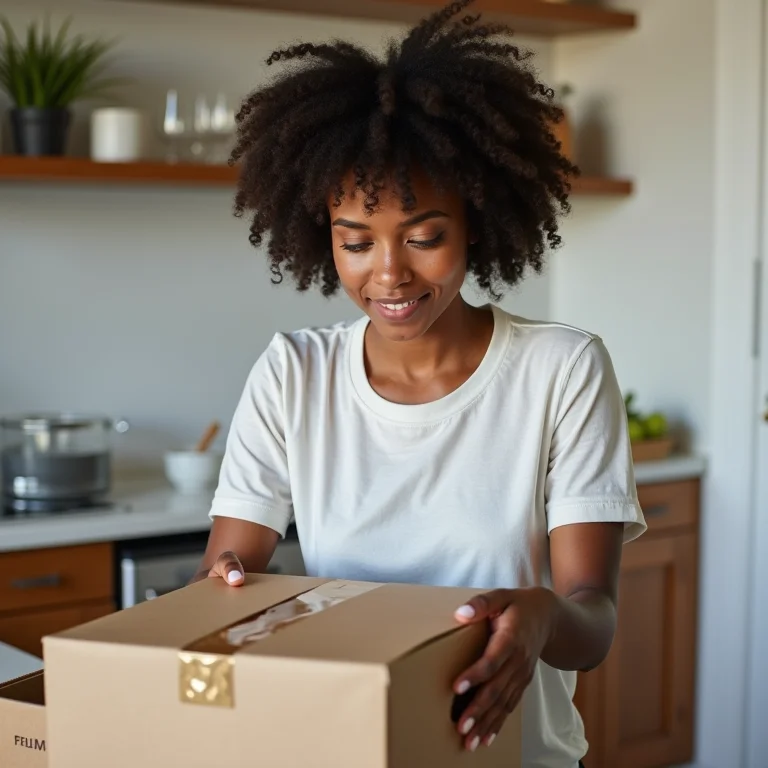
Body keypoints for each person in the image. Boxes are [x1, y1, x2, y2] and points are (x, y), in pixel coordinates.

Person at [192, 1, 646, 765]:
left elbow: (591, 623)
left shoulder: (561, 369)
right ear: (324, 239)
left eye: (425, 236)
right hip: (347, 746)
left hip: (514, 754)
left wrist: (539, 616)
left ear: (477, 223)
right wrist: (227, 585)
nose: (390, 274)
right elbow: (224, 578)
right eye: (356, 243)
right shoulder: (294, 373)